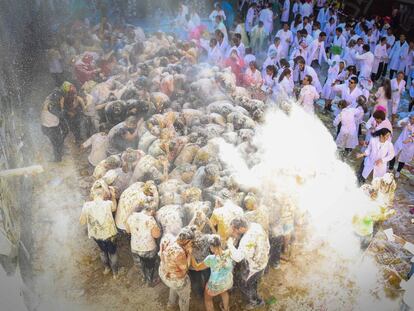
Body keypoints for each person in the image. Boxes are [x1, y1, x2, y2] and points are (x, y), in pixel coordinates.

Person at [227, 217, 270, 309]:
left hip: (254, 267)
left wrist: (230, 243)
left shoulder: (247, 240)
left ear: (241, 228)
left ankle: (256, 301)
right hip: (263, 260)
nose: (235, 232)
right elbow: (267, 241)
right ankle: (254, 291)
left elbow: (238, 257)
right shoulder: (256, 225)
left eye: (236, 230)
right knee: (253, 282)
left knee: (245, 285)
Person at [79, 180, 118, 278]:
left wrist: (86, 211)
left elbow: (82, 222)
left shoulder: (87, 205)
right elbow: (114, 208)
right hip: (109, 235)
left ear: (92, 194)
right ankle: (115, 273)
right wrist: (113, 196)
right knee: (112, 253)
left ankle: (106, 268)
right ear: (104, 193)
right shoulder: (107, 204)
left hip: (96, 235)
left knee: (102, 251)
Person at [191, 235, 233, 311]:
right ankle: (226, 309)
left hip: (215, 285)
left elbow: (197, 267)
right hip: (227, 282)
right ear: (220, 244)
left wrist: (191, 254)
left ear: (211, 247)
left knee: (207, 299)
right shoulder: (229, 252)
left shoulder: (210, 259)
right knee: (224, 292)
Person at [159, 227, 195, 311]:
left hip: (163, 272)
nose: (191, 245)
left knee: (174, 287)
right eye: (191, 243)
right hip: (175, 279)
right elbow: (185, 268)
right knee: (184, 297)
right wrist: (189, 253)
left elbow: (160, 253)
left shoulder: (167, 237)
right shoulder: (179, 252)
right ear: (186, 241)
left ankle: (170, 304)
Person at [126, 206, 161, 286]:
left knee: (140, 264)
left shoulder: (131, 217)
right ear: (148, 210)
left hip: (135, 247)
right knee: (150, 266)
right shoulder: (149, 219)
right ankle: (149, 281)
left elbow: (128, 231)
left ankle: (143, 277)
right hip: (148, 248)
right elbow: (156, 235)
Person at [41, 88, 67, 162]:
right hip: (50, 127)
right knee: (56, 143)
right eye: (61, 97)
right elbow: (61, 115)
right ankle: (57, 159)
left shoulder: (49, 98)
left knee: (57, 141)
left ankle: (58, 155)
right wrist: (62, 105)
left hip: (48, 125)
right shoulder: (52, 105)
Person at [388, 112, 414, 178]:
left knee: (403, 158)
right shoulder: (407, 120)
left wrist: (410, 140)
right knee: (393, 154)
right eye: (411, 118)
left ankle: (398, 171)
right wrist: (403, 124)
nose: (411, 120)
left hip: (409, 145)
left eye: (413, 119)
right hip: (400, 141)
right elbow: (399, 123)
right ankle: (390, 168)